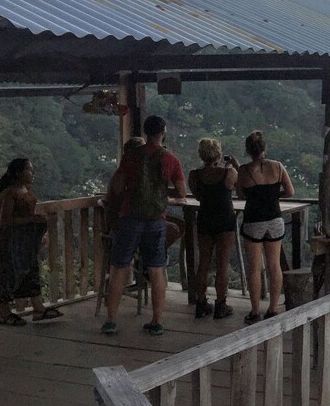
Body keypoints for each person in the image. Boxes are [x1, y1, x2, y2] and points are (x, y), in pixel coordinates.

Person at [101, 116, 186, 335]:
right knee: (157, 269)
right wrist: (161, 196)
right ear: (163, 132)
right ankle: (157, 321)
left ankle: (111, 320)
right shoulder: (170, 159)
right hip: (156, 219)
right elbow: (181, 193)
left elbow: (118, 187)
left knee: (119, 268)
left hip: (129, 217)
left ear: (146, 132)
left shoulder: (130, 157)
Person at [0, 158, 63, 325]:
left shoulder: (27, 190)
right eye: (29, 170)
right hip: (10, 240)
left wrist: (37, 232)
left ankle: (38, 308)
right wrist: (31, 220)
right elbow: (5, 221)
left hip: (26, 240)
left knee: (30, 272)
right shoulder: (9, 193)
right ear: (18, 173)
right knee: (8, 273)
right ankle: (4, 313)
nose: (33, 173)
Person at [236, 130, 294, 324]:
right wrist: (274, 196)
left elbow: (242, 195)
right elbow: (290, 191)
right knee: (274, 265)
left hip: (253, 220)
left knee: (254, 268)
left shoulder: (243, 171)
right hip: (274, 219)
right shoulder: (277, 167)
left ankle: (254, 311)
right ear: (264, 148)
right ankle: (273, 308)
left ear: (248, 150)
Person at [188, 138, 238, 319]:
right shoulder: (228, 173)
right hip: (225, 219)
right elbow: (240, 190)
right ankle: (220, 304)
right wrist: (236, 165)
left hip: (205, 218)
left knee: (204, 262)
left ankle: (201, 303)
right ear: (218, 153)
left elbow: (199, 196)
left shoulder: (194, 175)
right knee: (222, 264)